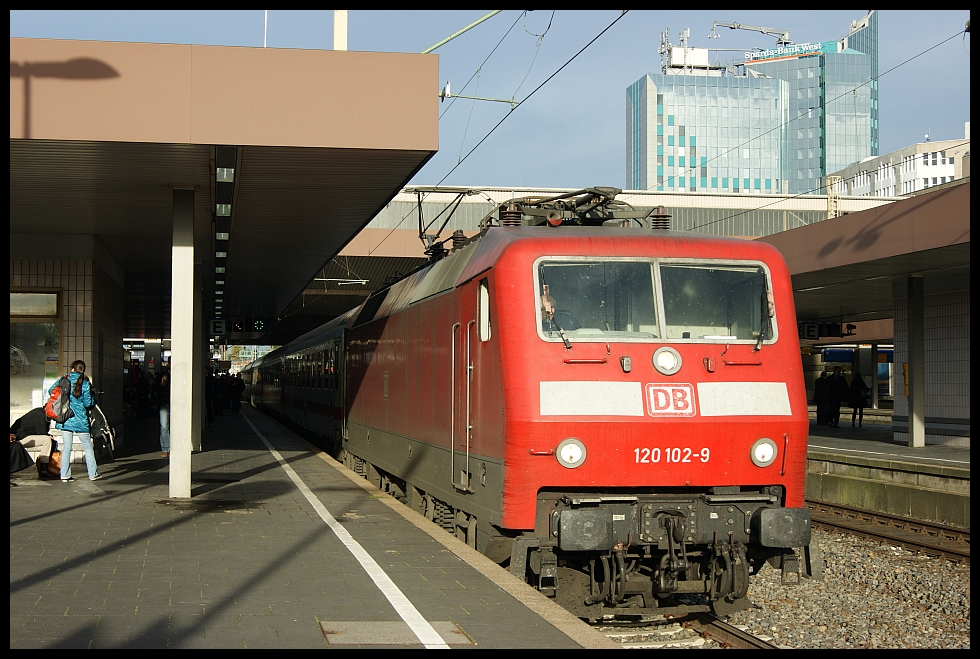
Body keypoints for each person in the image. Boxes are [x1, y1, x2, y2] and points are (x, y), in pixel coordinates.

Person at [50, 360, 101, 482]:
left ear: (72, 369)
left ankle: (65, 475)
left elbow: (51, 391)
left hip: (65, 418)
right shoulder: (85, 383)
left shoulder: (64, 380)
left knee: (67, 448)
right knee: (88, 447)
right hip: (80, 420)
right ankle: (93, 474)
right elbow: (88, 403)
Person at [10, 407, 55, 479]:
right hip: (18, 438)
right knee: (46, 440)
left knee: (47, 439)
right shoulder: (40, 414)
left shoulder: (41, 413)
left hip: (22, 436)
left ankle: (44, 469)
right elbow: (42, 432)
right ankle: (44, 469)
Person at [153, 371, 171, 457]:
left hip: (175, 404)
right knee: (164, 426)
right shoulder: (162, 376)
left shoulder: (178, 373)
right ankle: (165, 448)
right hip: (164, 404)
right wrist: (162, 382)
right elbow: (156, 389)